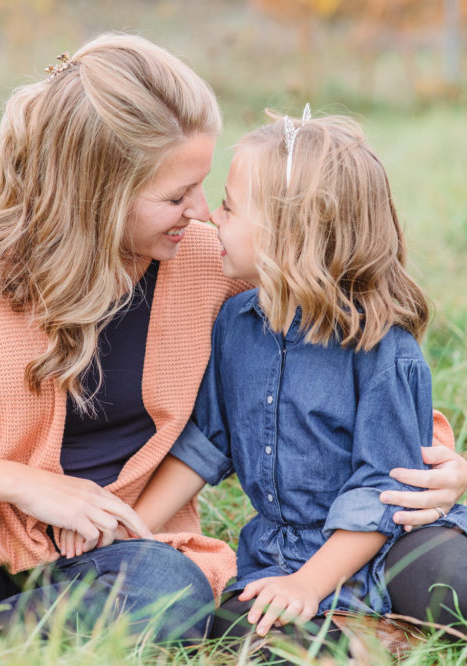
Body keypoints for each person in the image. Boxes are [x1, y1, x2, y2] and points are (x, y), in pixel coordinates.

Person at [0, 33, 467, 643]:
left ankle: (1, 628)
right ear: (97, 196)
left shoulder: (208, 264)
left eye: (209, 190)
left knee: (167, 594)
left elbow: (334, 342)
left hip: (118, 549)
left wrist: (440, 463)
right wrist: (28, 485)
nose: (201, 212)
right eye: (177, 195)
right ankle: (0, 622)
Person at [134, 112, 467, 642]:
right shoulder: (233, 326)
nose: (210, 219)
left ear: (289, 235)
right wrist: (132, 527)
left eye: (228, 207)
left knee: (452, 578)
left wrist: (310, 586)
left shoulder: (381, 346)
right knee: (234, 626)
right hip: (284, 554)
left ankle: (385, 622)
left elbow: (384, 491)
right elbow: (205, 444)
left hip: (389, 545)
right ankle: (364, 641)